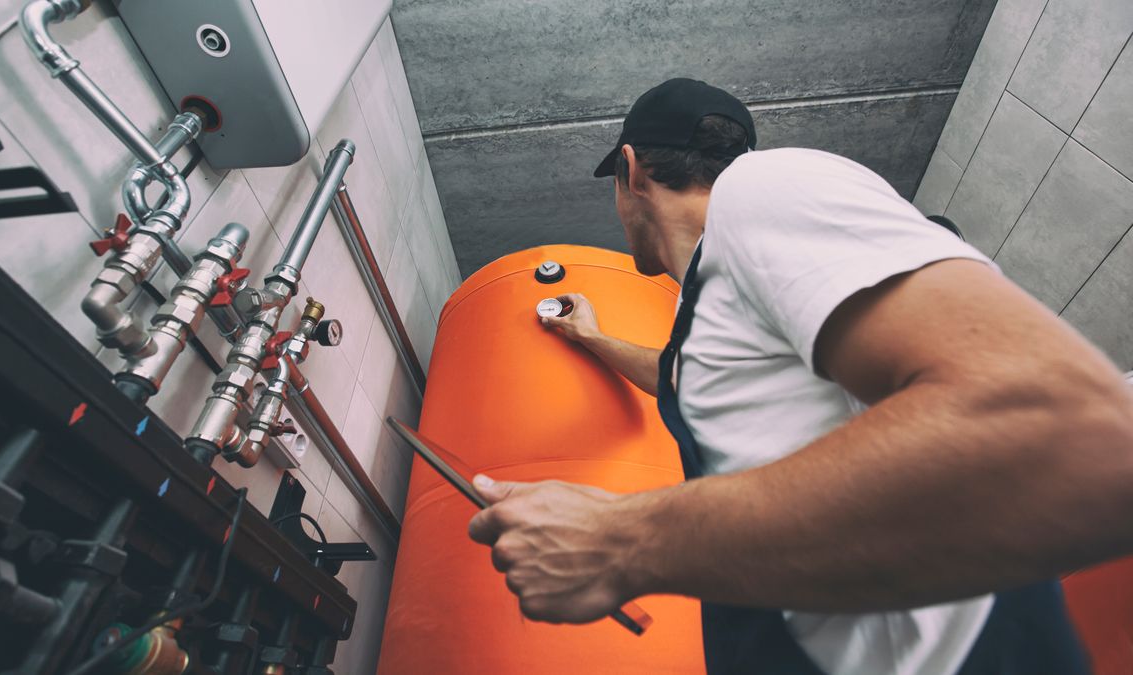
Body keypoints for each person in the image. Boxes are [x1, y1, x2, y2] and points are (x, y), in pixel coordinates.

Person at [466, 78, 1133, 674]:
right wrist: (591, 336)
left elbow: (1068, 433)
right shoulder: (710, 299)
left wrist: (620, 539)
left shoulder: (761, 189)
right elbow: (674, 378)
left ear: (632, 172)